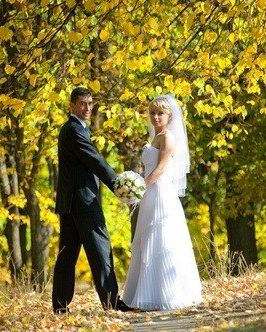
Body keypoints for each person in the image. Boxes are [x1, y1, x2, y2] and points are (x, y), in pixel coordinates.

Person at [52, 86, 133, 313]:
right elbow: (95, 160)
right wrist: (118, 184)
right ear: (72, 105)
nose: (87, 108)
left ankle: (60, 306)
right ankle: (111, 302)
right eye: (82, 104)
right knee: (100, 248)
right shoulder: (74, 130)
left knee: (67, 254)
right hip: (83, 201)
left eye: (90, 103)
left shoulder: (73, 128)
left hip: (70, 202)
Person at [122, 94, 202, 311]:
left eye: (160, 113)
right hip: (150, 191)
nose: (156, 117)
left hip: (159, 192)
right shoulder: (155, 136)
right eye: (152, 113)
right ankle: (143, 291)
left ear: (169, 116)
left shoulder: (168, 138)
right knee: (145, 239)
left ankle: (165, 293)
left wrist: (139, 186)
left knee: (160, 239)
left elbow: (160, 169)